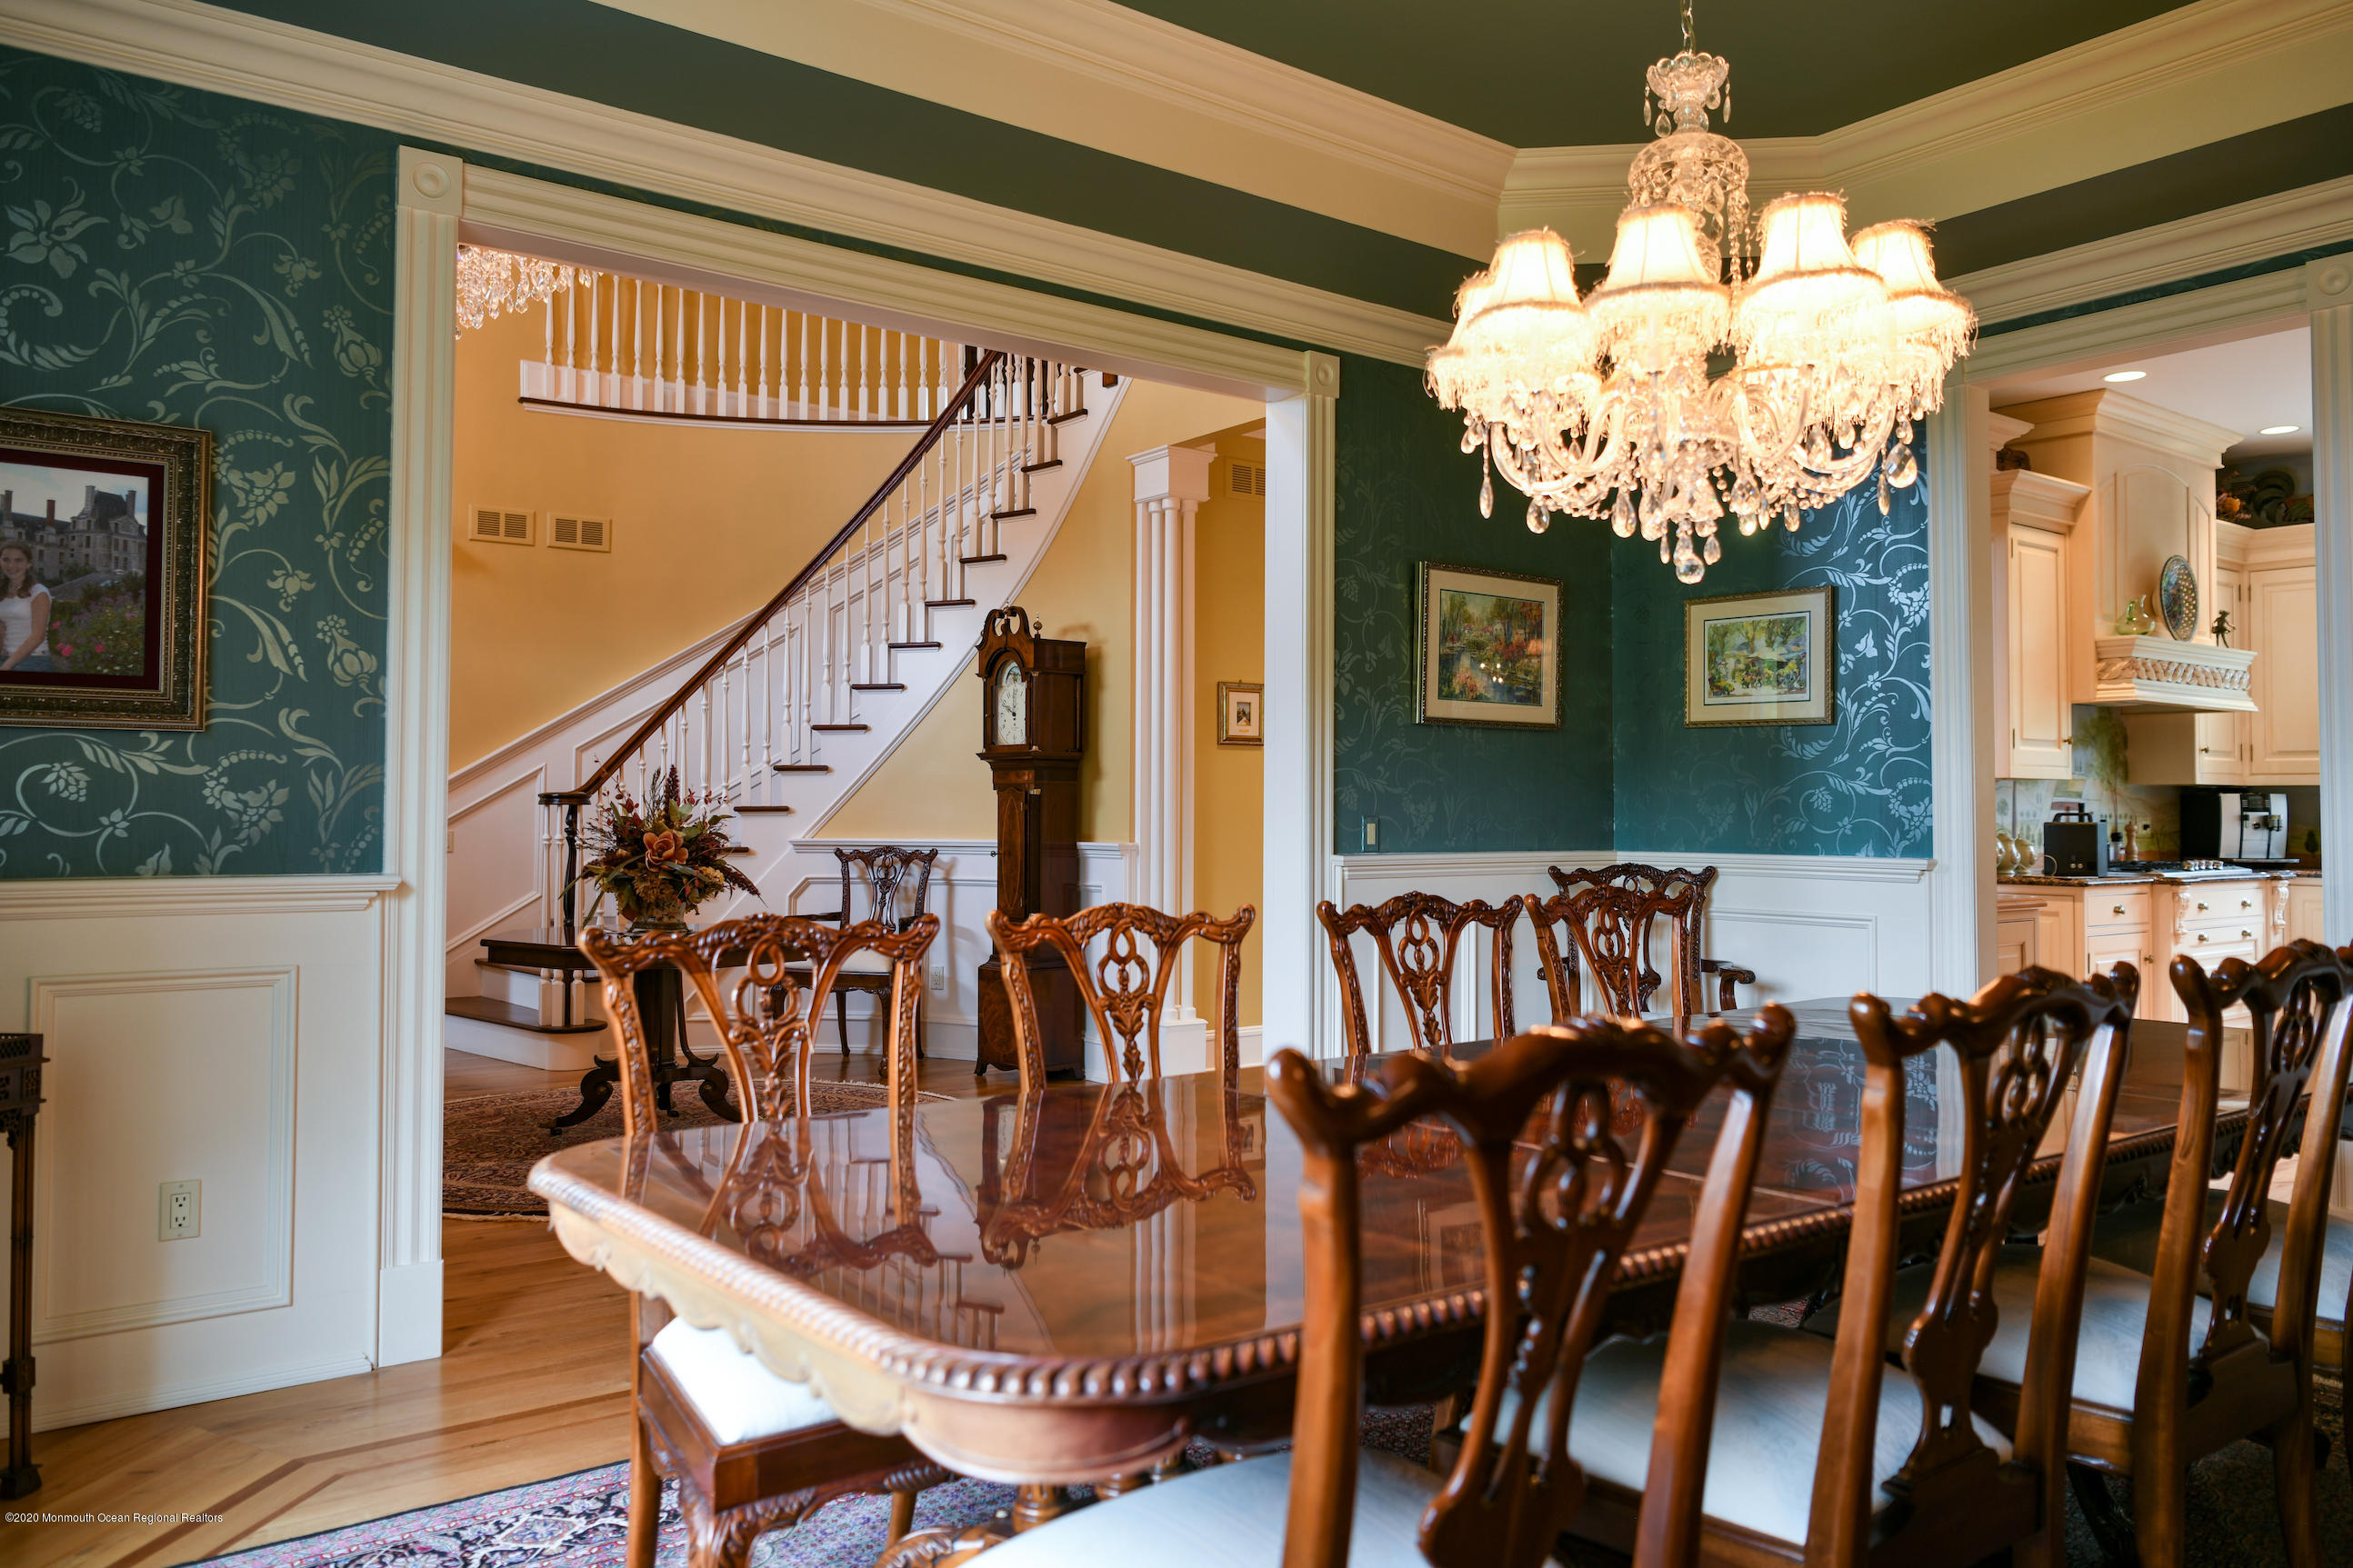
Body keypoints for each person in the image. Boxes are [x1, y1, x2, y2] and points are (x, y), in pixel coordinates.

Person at [0, 542, 54, 673]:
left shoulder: (38, 592)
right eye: (6, 560)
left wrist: (7, 666)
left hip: (33, 662)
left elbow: (37, 636)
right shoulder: (2, 592)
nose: (11, 565)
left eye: (18, 560)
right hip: (6, 658)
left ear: (29, 563)